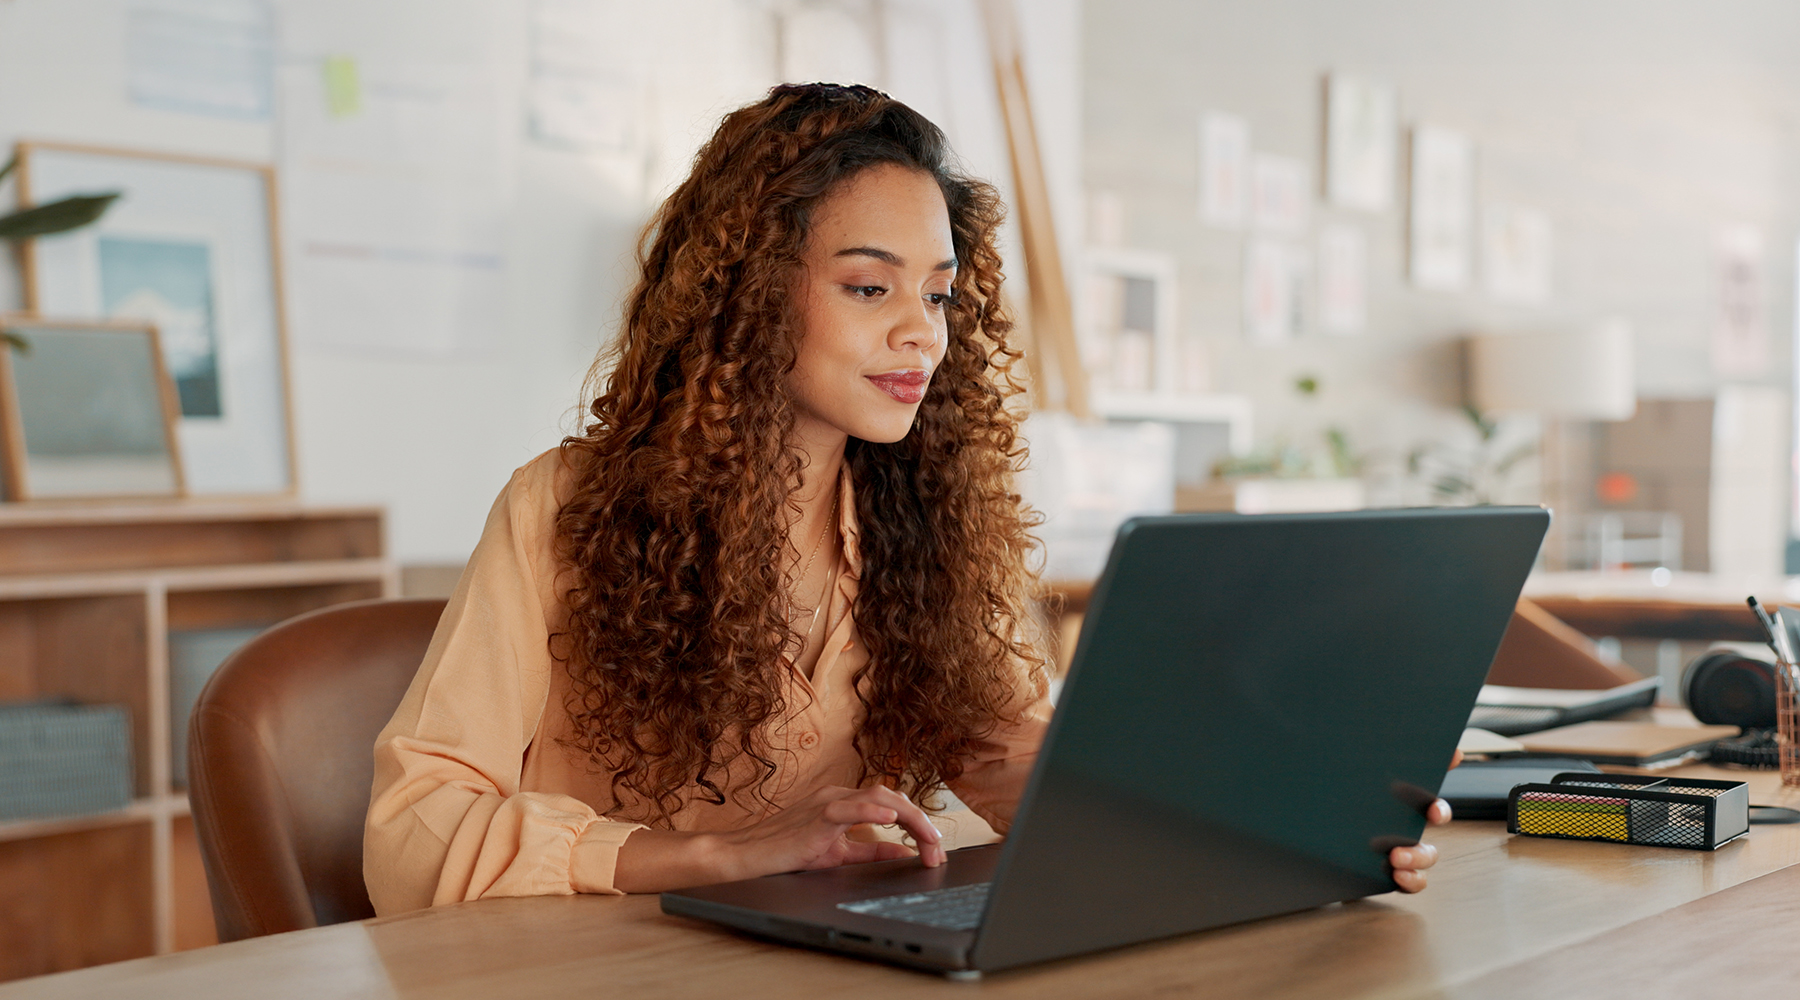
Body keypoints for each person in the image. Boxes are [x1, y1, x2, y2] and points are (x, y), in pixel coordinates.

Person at [364, 83, 1447, 915]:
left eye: (938, 293)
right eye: (870, 287)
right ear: (747, 294)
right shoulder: (565, 505)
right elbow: (413, 830)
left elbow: (1020, 760)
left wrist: (1269, 823)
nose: (922, 332)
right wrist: (714, 856)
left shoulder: (928, 521)